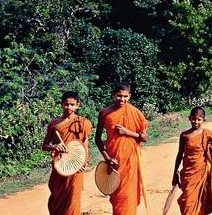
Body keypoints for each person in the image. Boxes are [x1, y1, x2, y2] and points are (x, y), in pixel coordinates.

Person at [95, 84, 149, 215]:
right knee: (117, 196)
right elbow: (97, 138)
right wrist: (107, 158)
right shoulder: (105, 113)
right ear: (113, 95)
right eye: (119, 96)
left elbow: (144, 137)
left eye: (125, 96)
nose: (122, 99)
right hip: (113, 160)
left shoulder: (135, 112)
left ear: (130, 96)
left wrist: (127, 132)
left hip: (131, 160)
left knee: (127, 196)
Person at [42, 91, 93, 215]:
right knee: (57, 196)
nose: (69, 107)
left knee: (73, 197)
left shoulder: (83, 122)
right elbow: (44, 146)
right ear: (61, 104)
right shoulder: (54, 124)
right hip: (60, 165)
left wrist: (85, 160)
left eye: (72, 104)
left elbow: (85, 143)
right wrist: (55, 146)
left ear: (77, 105)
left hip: (76, 166)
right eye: (66, 104)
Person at [171, 106, 212, 215]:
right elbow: (179, 155)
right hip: (188, 174)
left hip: (202, 173)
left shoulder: (208, 135)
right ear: (189, 118)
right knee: (187, 200)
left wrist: (211, 174)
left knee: (202, 202)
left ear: (204, 120)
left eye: (199, 119)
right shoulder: (184, 135)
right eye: (193, 119)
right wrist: (175, 173)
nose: (196, 122)